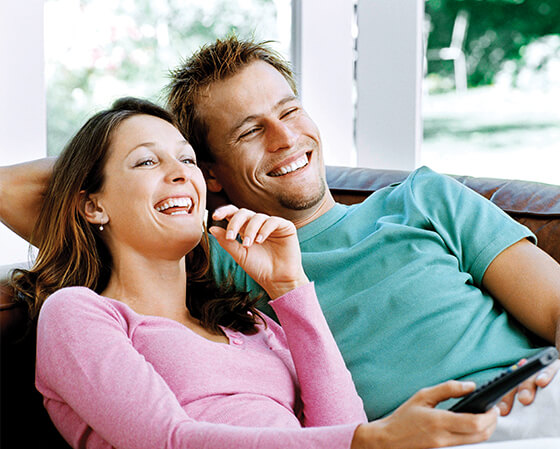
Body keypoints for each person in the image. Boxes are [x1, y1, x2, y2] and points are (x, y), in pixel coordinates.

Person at [1, 36, 558, 443]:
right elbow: (37, 196)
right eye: (249, 130)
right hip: (428, 436)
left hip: (540, 393)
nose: (286, 136)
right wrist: (146, 161)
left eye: (289, 111)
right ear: (216, 175)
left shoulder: (424, 198)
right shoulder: (217, 264)